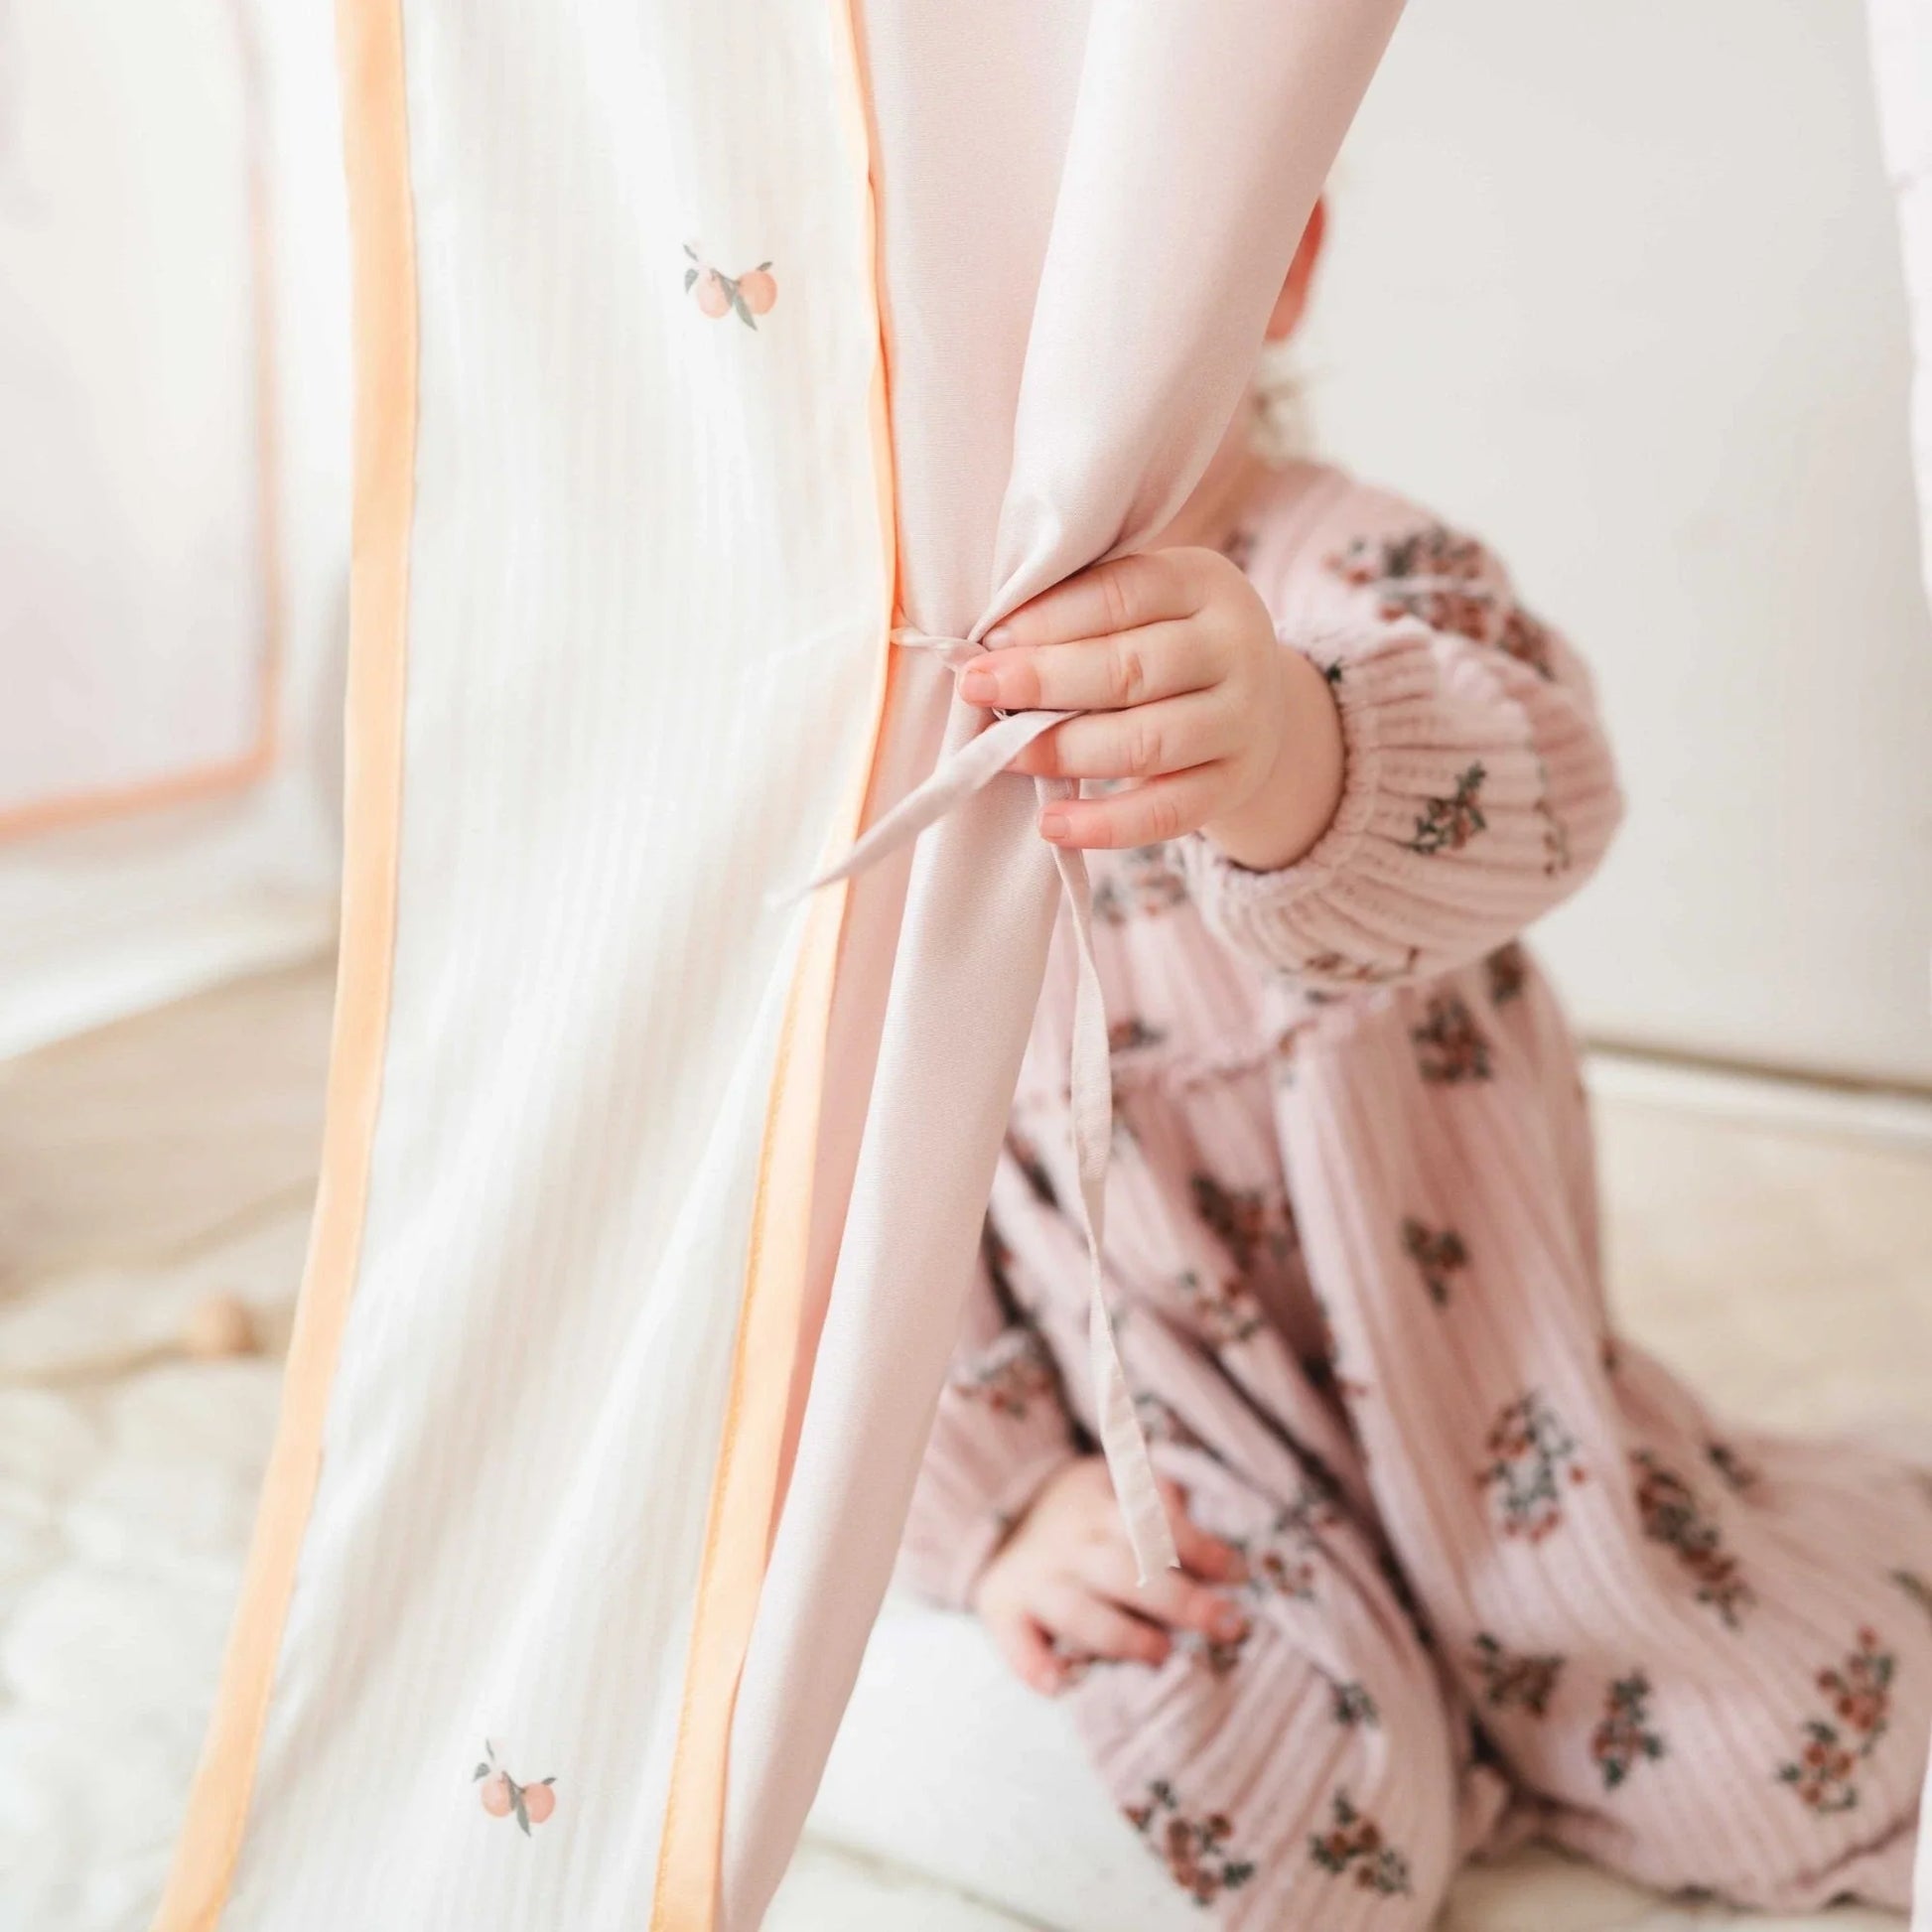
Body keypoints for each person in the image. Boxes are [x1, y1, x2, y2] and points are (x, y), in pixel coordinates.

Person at [897, 200, 1932, 1926]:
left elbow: (1548, 780)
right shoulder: (894, 690)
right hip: (1150, 1437)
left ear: (1278, 257)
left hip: (1489, 1412)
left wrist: (1293, 747)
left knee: (1792, 1730)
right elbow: (848, 1163)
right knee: (1280, 1821)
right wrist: (997, 1498)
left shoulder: (1347, 569)